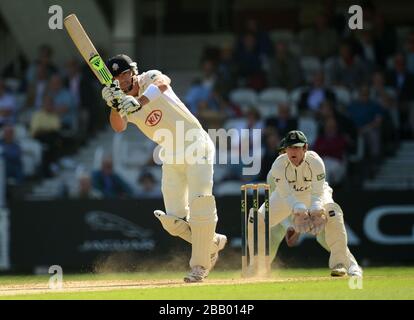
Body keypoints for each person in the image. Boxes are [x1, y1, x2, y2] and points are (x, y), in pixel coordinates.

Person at [101, 54, 227, 282]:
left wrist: (139, 102)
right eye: (117, 77)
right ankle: (213, 242)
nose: (123, 79)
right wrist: (113, 106)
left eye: (126, 73)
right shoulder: (121, 100)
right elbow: (118, 127)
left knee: (201, 204)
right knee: (174, 222)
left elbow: (164, 83)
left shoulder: (149, 78)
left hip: (195, 143)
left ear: (133, 71)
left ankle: (199, 267)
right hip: (169, 153)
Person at [247, 130, 362, 277]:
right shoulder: (275, 171)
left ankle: (348, 265)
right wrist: (292, 225)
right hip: (289, 205)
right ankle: (257, 268)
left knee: (331, 219)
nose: (289, 154)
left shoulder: (314, 161)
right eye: (286, 150)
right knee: (261, 224)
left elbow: (318, 192)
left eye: (295, 148)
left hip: (314, 195)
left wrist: (317, 212)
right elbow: (283, 198)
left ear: (305, 148)